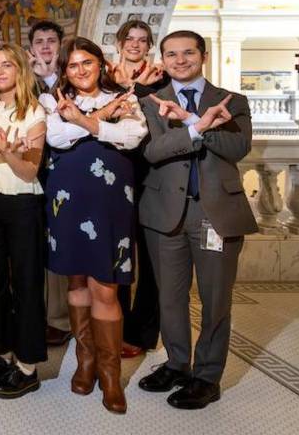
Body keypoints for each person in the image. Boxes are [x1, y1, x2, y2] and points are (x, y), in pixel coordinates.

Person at [137, 30, 256, 410]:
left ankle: (206, 376)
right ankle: (176, 364)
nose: (180, 60)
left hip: (214, 214)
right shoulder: (151, 102)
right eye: (171, 54)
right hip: (164, 215)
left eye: (188, 52)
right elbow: (152, 152)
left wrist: (193, 121)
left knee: (215, 299)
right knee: (170, 299)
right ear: (163, 59)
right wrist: (198, 127)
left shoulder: (232, 101)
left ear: (202, 55)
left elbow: (237, 148)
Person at [39, 37, 147, 414]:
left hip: (109, 200)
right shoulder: (54, 100)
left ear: (101, 64)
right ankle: (85, 363)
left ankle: (110, 374)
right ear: (64, 70)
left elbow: (133, 136)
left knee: (106, 288)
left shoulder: (126, 97)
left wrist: (83, 122)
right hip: (67, 197)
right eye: (72, 65)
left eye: (87, 62)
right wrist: (101, 119)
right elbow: (55, 136)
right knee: (76, 283)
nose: (80, 70)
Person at [0, 43, 47, 399]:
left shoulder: (34, 111)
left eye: (7, 65)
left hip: (22, 204)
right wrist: (7, 150)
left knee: (27, 283)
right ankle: (2, 354)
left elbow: (29, 169)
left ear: (20, 70)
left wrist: (3, 152)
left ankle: (28, 365)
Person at [111, 19, 165, 359]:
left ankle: (143, 332)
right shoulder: (104, 77)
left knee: (149, 256)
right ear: (119, 43)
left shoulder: (161, 79)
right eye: (129, 39)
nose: (135, 44)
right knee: (116, 254)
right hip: (114, 175)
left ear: (149, 46)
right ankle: (114, 327)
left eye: (142, 40)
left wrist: (140, 92)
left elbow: (161, 123)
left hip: (149, 174)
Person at [26, 19, 72, 347]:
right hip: (31, 173)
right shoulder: (27, 82)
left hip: (65, 174)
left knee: (60, 246)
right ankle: (37, 314)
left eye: (51, 41)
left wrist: (50, 78)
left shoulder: (72, 79)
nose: (45, 46)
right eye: (39, 41)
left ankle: (61, 318)